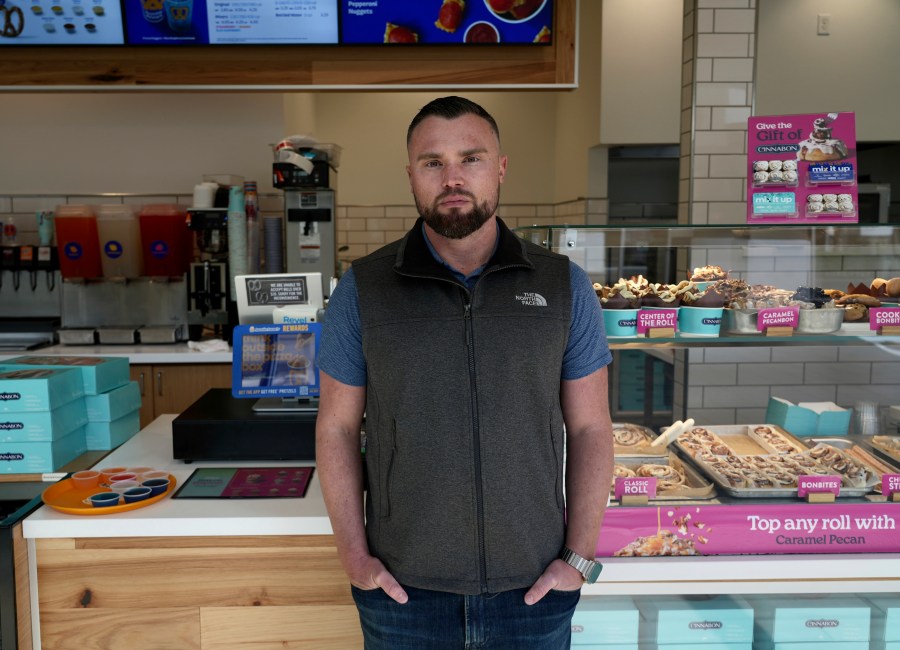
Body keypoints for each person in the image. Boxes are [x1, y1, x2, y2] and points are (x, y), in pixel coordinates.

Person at [315, 95, 614, 649]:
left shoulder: (563, 287)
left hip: (534, 592)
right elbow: (335, 427)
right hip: (403, 595)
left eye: (471, 159)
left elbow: (593, 429)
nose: (453, 178)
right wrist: (355, 559)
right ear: (411, 176)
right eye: (433, 163)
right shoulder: (363, 290)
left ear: (500, 168)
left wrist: (577, 560)